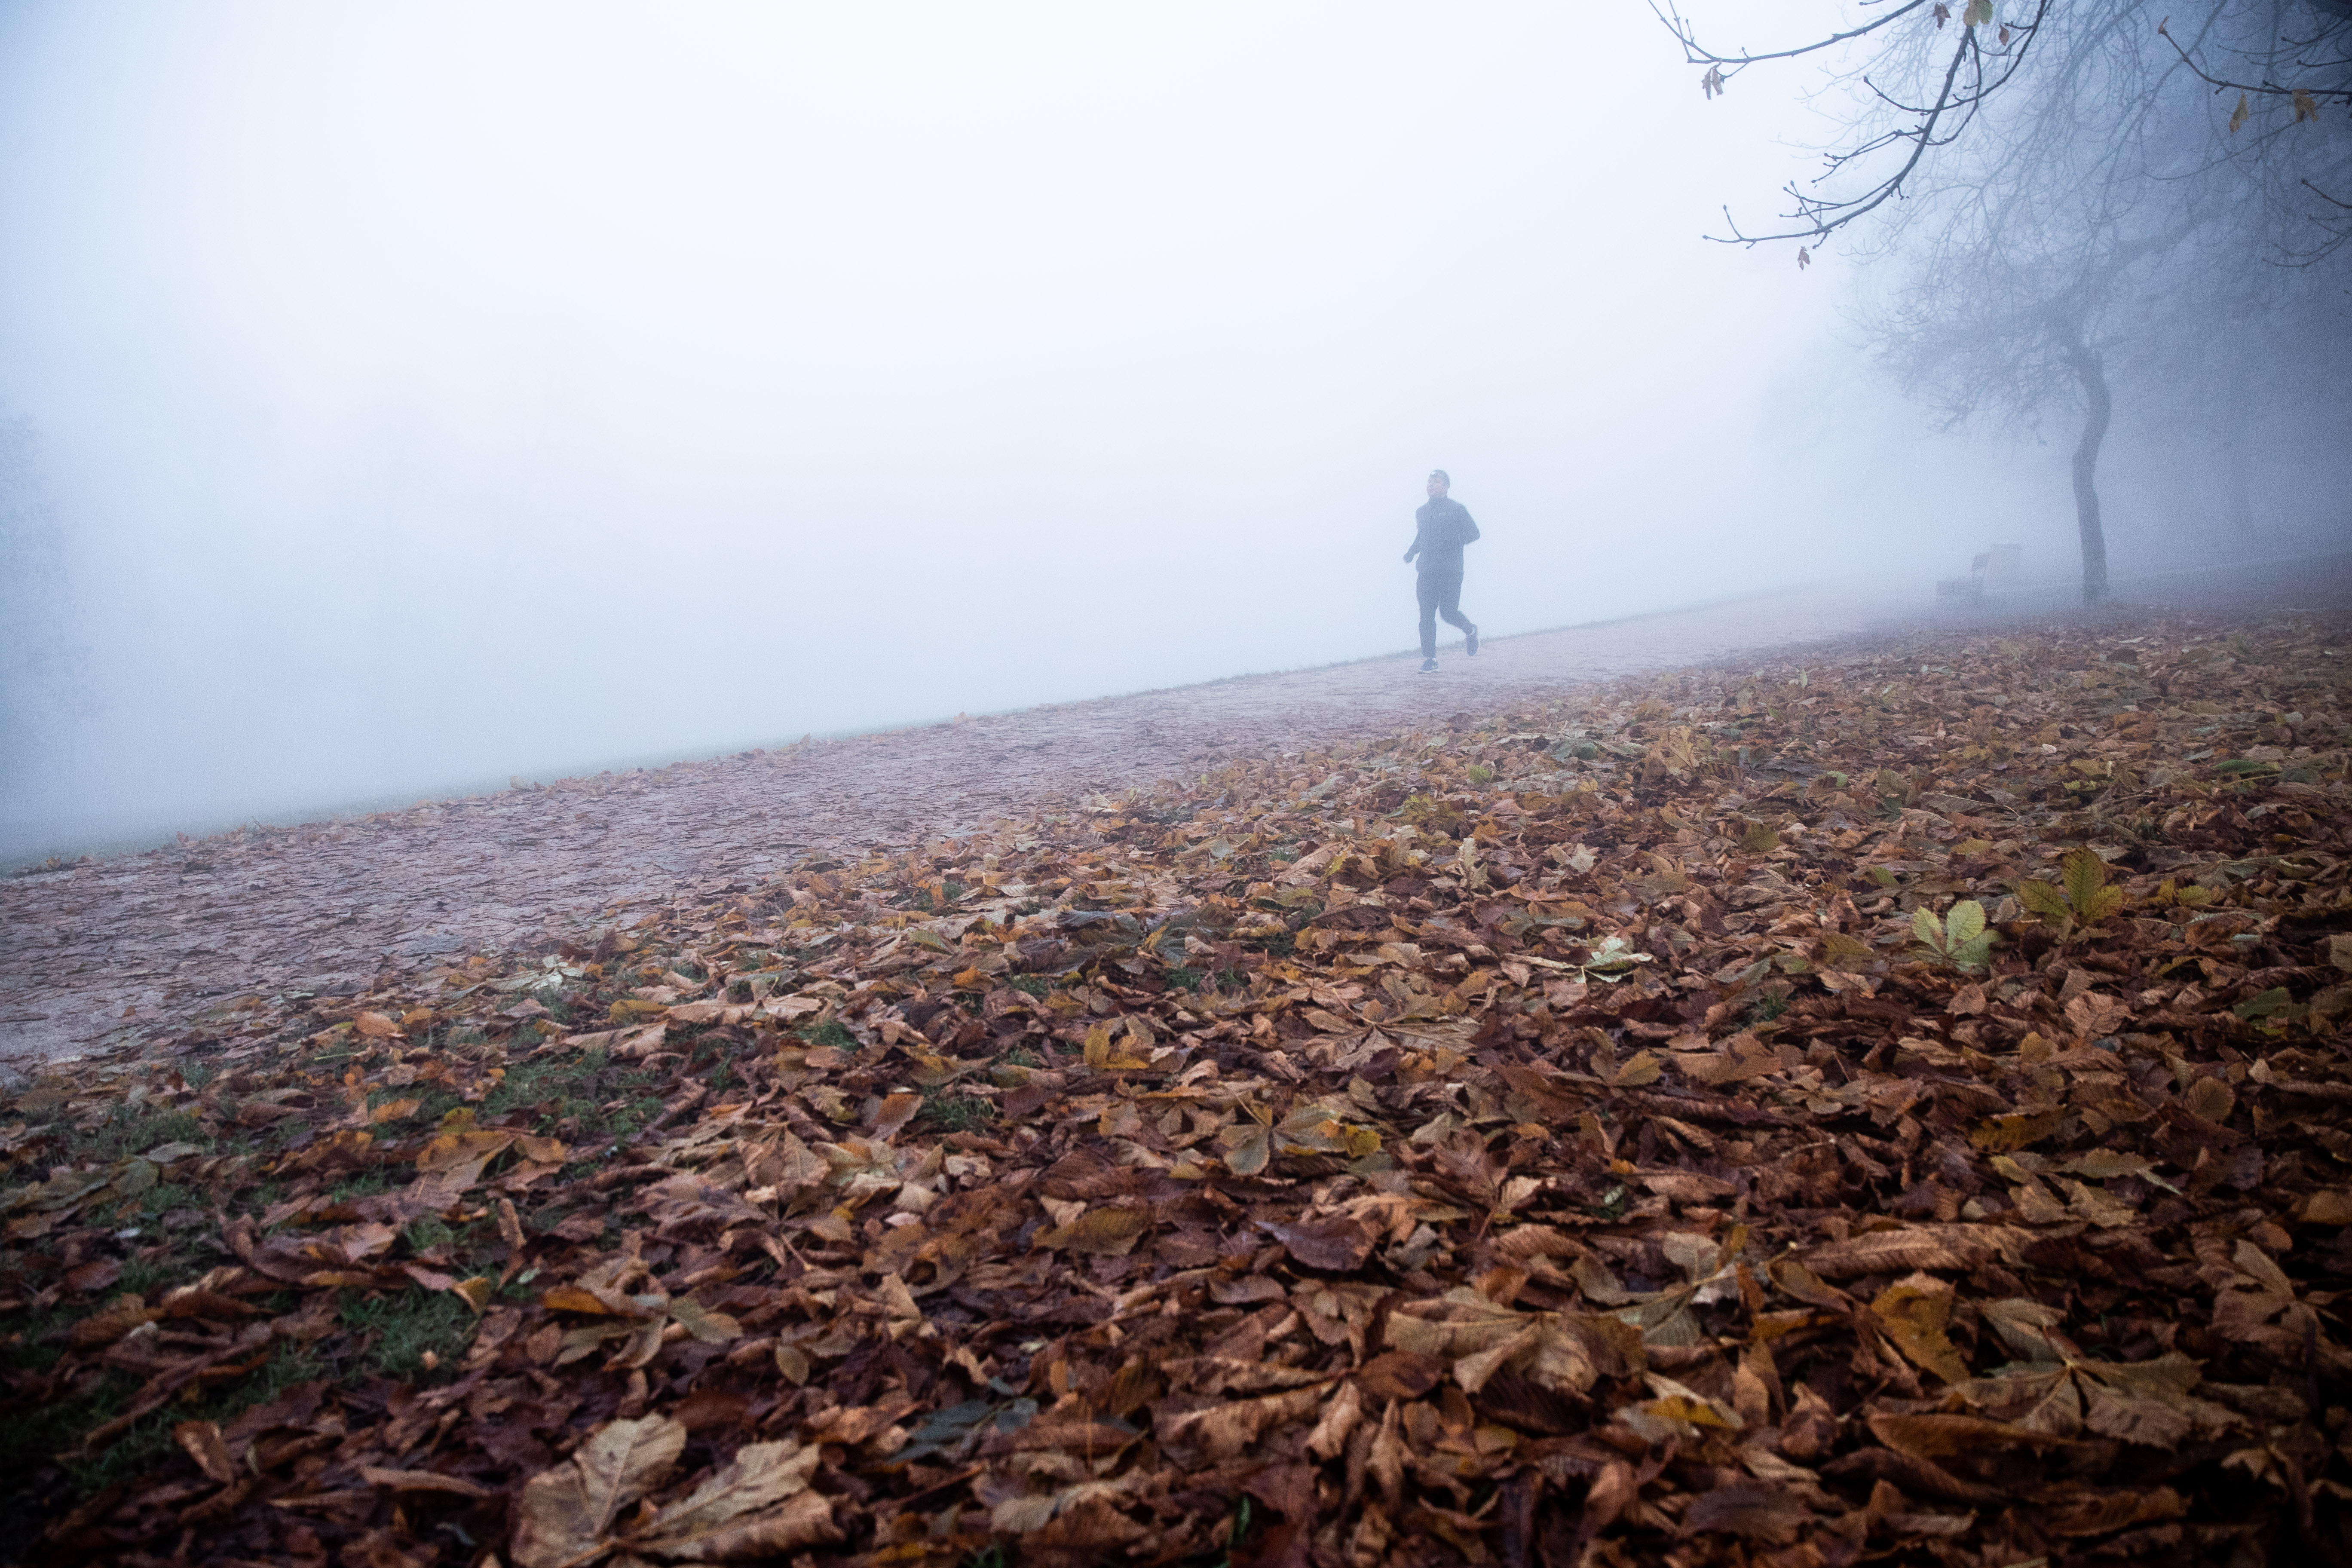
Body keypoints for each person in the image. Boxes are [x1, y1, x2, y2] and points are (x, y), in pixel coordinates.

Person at [1402, 469, 1479, 673]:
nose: (1431, 484)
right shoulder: (1422, 511)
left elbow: (1474, 533)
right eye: (1429, 481)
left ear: (1446, 487)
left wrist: (1454, 541)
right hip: (1426, 572)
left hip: (1451, 571)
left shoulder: (1456, 509)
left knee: (1448, 613)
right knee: (1426, 615)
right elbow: (1422, 537)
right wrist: (1411, 553)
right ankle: (1431, 659)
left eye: (1436, 481)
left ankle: (1470, 631)